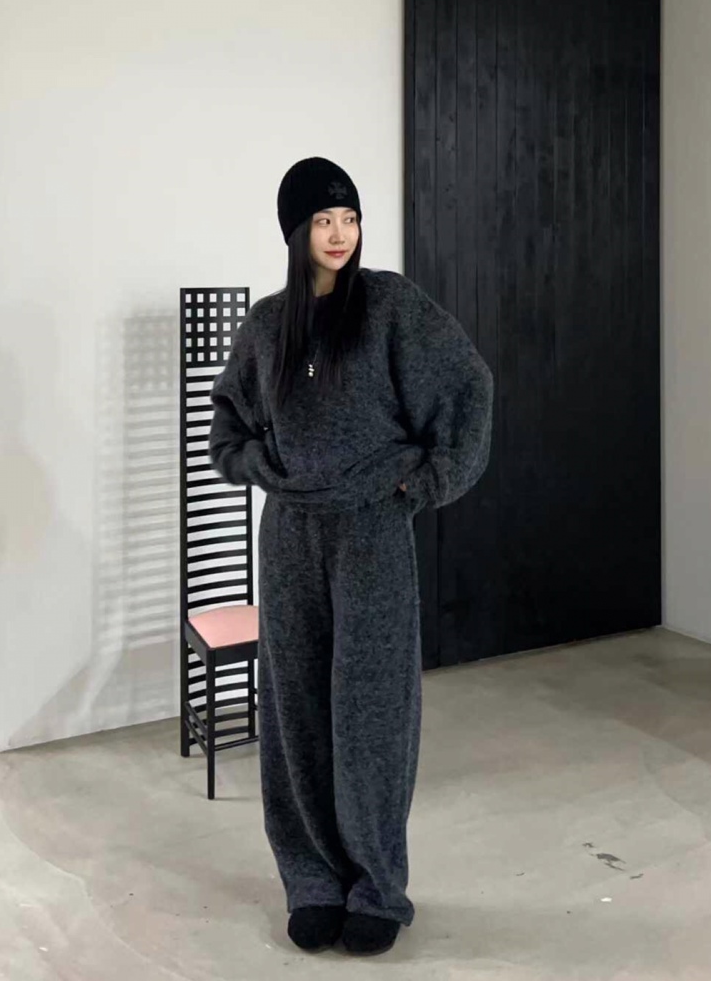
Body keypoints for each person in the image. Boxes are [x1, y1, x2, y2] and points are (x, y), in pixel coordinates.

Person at [208, 156, 493, 956]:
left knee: (371, 712)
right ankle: (312, 880)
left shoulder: (391, 306)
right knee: (295, 707)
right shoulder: (268, 325)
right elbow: (227, 424)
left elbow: (468, 388)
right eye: (323, 220)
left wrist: (425, 482)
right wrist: (260, 467)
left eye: (350, 218)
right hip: (291, 537)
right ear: (295, 231)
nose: (339, 234)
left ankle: (376, 887)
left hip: (372, 529)